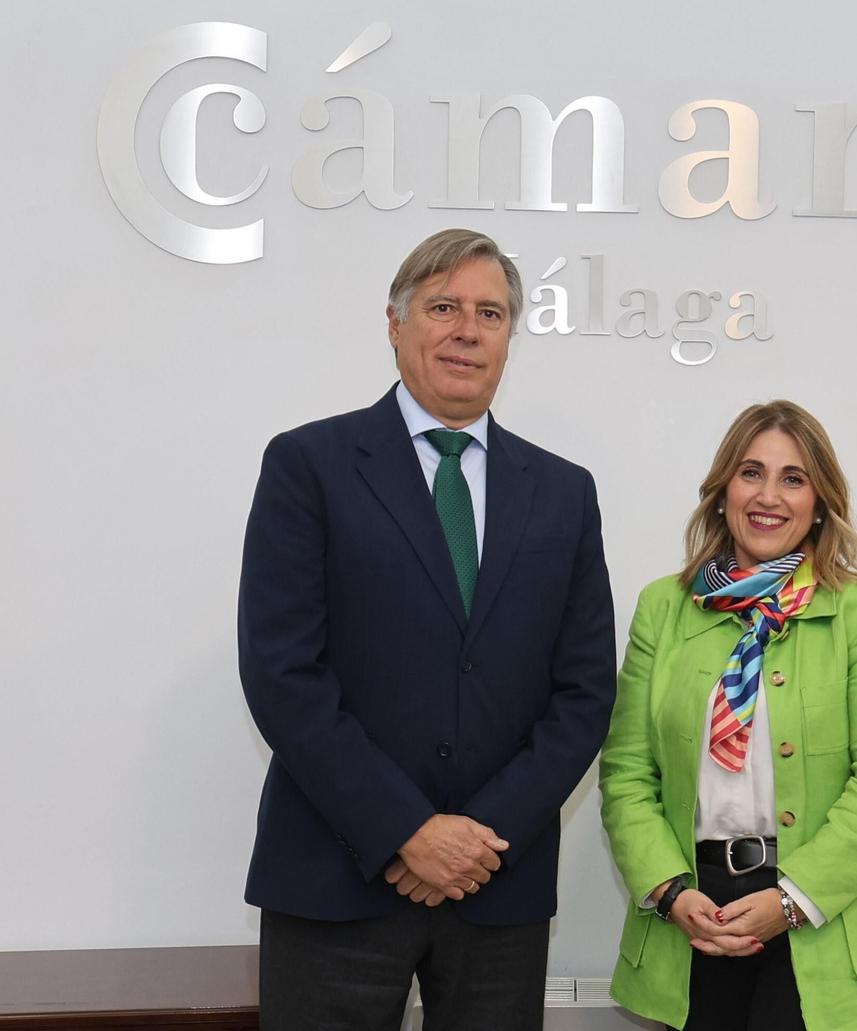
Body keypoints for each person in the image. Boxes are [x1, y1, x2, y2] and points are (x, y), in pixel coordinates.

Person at [238, 228, 616, 1031]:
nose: (466, 330)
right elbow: (283, 673)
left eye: (490, 312)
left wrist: (481, 840)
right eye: (443, 306)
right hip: (336, 878)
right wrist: (405, 830)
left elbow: (583, 694)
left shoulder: (563, 492)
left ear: (510, 336)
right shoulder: (308, 465)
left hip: (497, 887)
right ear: (396, 323)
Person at [599, 401, 857, 1031]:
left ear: (820, 501)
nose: (769, 496)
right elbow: (625, 774)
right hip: (692, 916)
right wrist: (670, 891)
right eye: (752, 472)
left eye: (793, 478)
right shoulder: (663, 608)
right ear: (723, 489)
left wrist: (791, 900)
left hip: (822, 916)